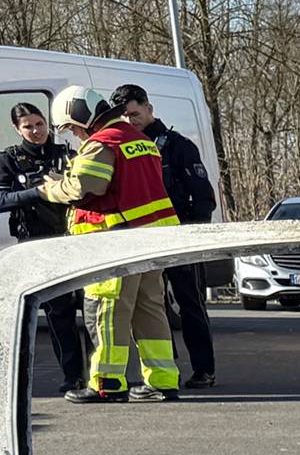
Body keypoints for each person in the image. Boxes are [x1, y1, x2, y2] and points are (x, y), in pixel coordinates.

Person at [43, 85, 180, 402]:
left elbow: (87, 186)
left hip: (115, 244)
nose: (75, 135)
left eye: (72, 127)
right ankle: (162, 380)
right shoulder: (140, 140)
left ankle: (107, 383)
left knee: (106, 313)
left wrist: (51, 189)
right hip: (152, 243)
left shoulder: (102, 142)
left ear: (82, 116)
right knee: (149, 310)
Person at [114, 85, 215, 388]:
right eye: (124, 117)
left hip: (179, 239)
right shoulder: (122, 148)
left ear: (148, 108)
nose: (131, 121)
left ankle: (204, 370)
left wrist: (191, 240)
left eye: (135, 114)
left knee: (190, 305)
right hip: (143, 243)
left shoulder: (177, 146)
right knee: (151, 308)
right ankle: (165, 370)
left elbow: (203, 199)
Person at [0, 102, 85, 397]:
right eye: (28, 127)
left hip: (74, 238)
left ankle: (99, 374)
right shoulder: (9, 160)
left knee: (91, 310)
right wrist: (36, 192)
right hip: (37, 244)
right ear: (17, 129)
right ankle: (72, 376)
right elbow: (2, 199)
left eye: (39, 124)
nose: (36, 131)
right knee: (57, 312)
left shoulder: (68, 155)